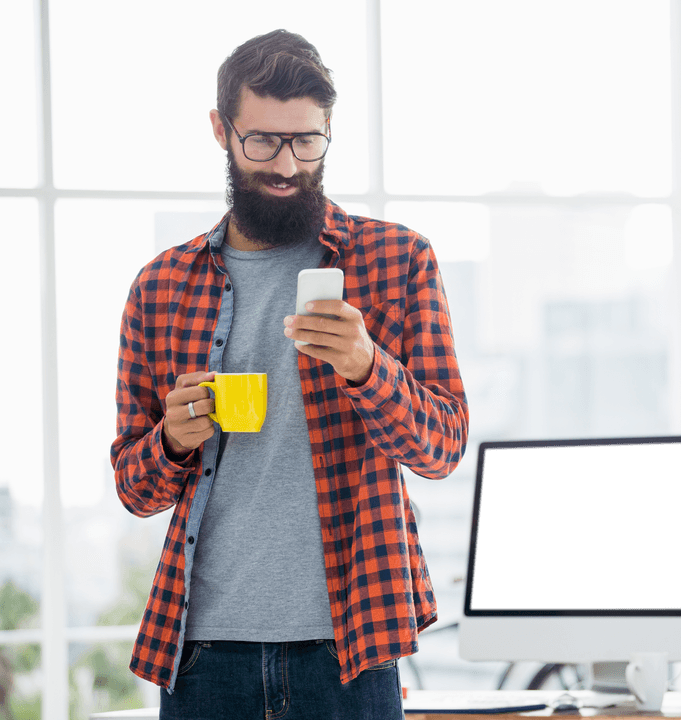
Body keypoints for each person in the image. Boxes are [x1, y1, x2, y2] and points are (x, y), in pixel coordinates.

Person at [111, 29, 468, 718]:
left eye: (307, 142)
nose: (287, 165)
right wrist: (173, 442)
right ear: (222, 129)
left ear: (328, 129)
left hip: (350, 649)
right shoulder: (160, 287)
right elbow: (134, 488)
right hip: (202, 655)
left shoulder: (397, 263)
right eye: (263, 142)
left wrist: (368, 368)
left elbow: (443, 448)